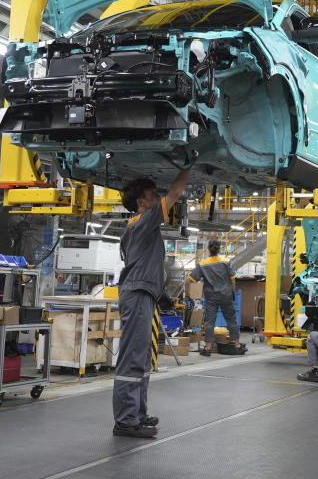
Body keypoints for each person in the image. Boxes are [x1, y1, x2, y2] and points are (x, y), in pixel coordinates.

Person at [112, 169, 191, 439]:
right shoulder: (143, 221)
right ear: (141, 203)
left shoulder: (140, 226)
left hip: (144, 294)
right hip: (137, 295)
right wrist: (189, 165)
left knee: (142, 357)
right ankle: (125, 420)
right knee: (133, 357)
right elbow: (176, 193)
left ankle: (137, 413)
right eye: (152, 195)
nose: (158, 198)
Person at [188, 239, 243, 356]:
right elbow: (233, 279)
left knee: (210, 322)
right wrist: (232, 293)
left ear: (208, 249)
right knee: (231, 320)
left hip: (211, 297)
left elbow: (190, 279)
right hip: (226, 295)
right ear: (219, 249)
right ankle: (237, 346)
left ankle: (207, 349)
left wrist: (187, 291)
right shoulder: (226, 262)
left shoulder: (203, 264)